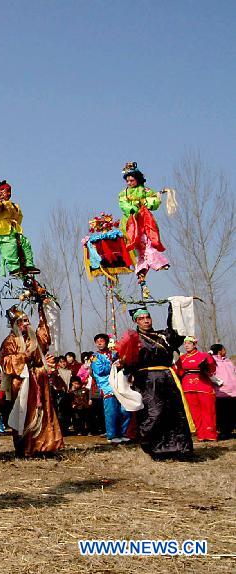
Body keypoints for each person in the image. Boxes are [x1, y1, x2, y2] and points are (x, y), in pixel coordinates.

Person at [117, 306, 191, 459]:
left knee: (174, 413)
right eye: (141, 319)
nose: (146, 321)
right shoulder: (133, 338)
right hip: (147, 380)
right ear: (136, 321)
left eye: (147, 317)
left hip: (167, 377)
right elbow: (128, 362)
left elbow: (177, 336)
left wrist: (174, 309)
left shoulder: (163, 335)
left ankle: (179, 448)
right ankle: (156, 449)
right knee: (153, 414)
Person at [0, 304, 64, 457]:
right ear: (15, 325)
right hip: (21, 382)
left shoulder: (35, 338)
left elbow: (45, 333)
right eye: (21, 322)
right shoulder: (10, 341)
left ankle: (45, 446)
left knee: (43, 411)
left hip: (39, 379)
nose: (26, 324)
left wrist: (42, 307)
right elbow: (5, 360)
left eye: (27, 321)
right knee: (24, 414)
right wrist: (23, 357)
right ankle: (26, 448)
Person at [118, 162, 170, 298]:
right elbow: (124, 205)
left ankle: (158, 263)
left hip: (145, 222)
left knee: (148, 244)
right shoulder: (123, 193)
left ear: (137, 179)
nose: (129, 183)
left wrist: (147, 203)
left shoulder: (146, 191)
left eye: (132, 180)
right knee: (138, 248)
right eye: (127, 180)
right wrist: (134, 208)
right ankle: (141, 271)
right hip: (131, 224)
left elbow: (154, 202)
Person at [0, 180, 37, 276]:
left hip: (14, 230)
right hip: (2, 231)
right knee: (10, 247)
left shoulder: (13, 205)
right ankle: (14, 267)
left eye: (9, 192)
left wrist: (16, 226)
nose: (8, 194)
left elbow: (19, 217)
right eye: (6, 192)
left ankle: (28, 264)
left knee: (25, 243)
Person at [175, 337, 218, 441]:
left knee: (208, 410)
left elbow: (212, 369)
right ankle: (201, 434)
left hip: (203, 386)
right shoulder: (182, 358)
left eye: (189, 343)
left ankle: (211, 434)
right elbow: (178, 371)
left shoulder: (204, 356)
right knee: (195, 412)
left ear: (194, 344)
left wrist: (208, 365)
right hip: (188, 387)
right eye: (185, 344)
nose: (186, 345)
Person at [91, 348, 131, 444]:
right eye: (97, 341)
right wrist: (113, 366)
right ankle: (112, 435)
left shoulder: (115, 354)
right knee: (111, 412)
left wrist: (122, 364)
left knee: (125, 410)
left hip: (121, 386)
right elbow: (99, 370)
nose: (100, 342)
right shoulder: (95, 357)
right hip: (108, 388)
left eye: (102, 340)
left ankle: (122, 433)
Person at [210, 344, 235, 439]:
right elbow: (209, 374)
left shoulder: (228, 361)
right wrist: (218, 382)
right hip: (221, 393)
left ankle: (231, 430)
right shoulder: (212, 361)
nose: (225, 350)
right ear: (220, 351)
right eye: (224, 349)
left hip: (233, 392)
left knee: (232, 412)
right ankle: (224, 432)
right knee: (223, 414)